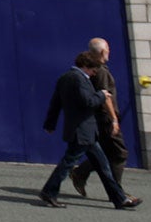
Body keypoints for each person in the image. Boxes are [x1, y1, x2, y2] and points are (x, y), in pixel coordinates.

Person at [39, 51, 142, 209]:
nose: (95, 73)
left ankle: (120, 199)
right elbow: (87, 102)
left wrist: (50, 123)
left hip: (83, 131)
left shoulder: (65, 78)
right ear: (86, 66)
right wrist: (101, 95)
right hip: (83, 131)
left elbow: (56, 103)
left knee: (103, 166)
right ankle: (49, 191)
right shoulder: (79, 79)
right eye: (94, 70)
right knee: (69, 163)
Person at [71, 36, 128, 199]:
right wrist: (114, 119)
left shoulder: (93, 69)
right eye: (108, 49)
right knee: (119, 153)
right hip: (104, 119)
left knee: (104, 153)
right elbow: (105, 96)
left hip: (98, 118)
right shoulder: (101, 71)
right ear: (103, 51)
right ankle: (116, 192)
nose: (109, 52)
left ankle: (80, 173)